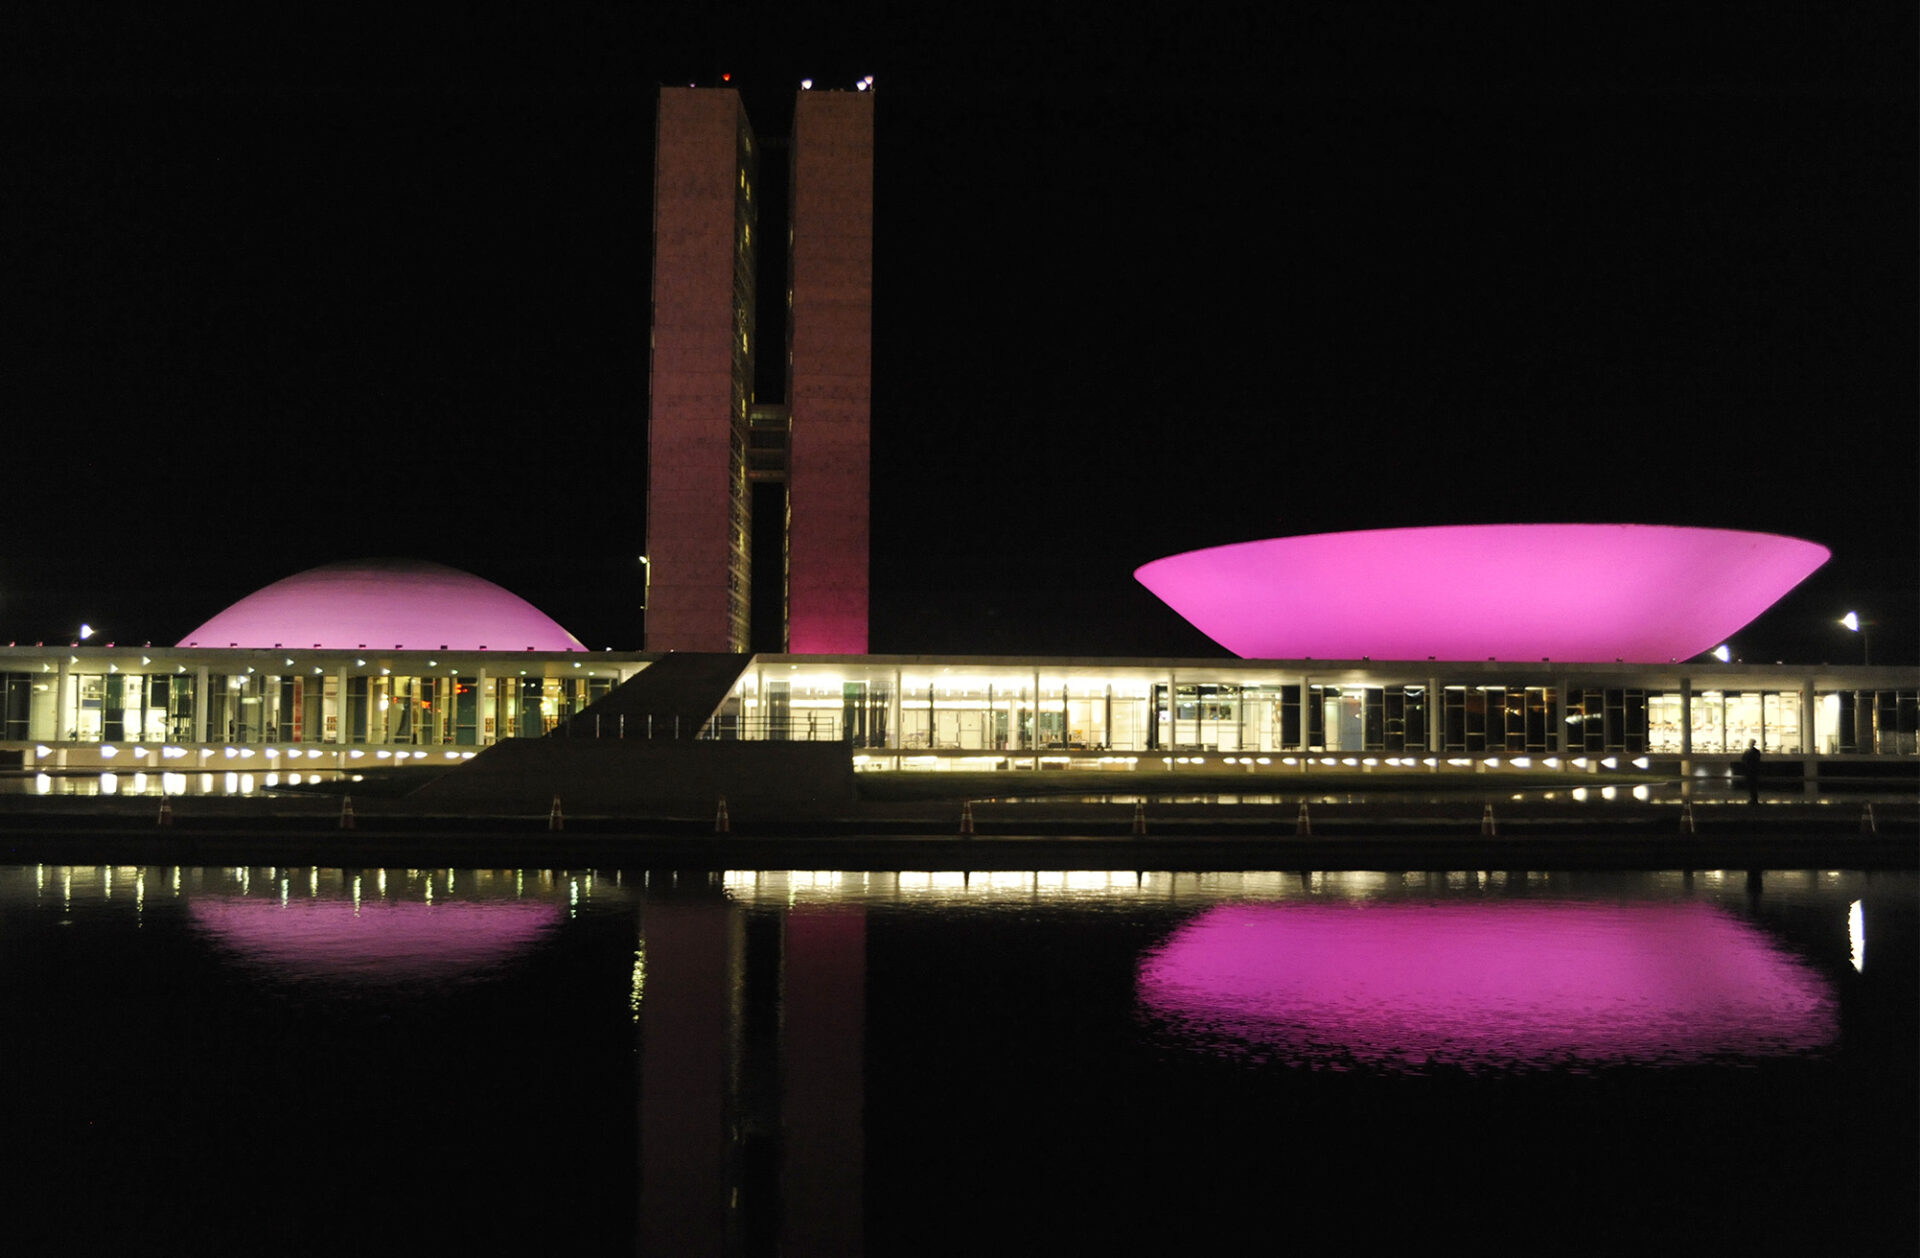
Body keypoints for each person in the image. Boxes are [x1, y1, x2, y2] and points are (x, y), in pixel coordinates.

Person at [1740, 740, 1762, 804]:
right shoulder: (1756, 752)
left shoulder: (1747, 751)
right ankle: (1754, 798)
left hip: (1749, 770)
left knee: (1751, 785)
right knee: (1753, 785)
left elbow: (1743, 759)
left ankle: (1753, 798)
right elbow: (1757, 760)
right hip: (1754, 770)